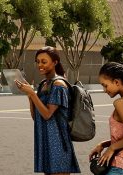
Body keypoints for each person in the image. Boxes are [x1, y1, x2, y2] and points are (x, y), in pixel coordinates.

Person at [15, 46, 81, 174]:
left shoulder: (59, 85)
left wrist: (33, 94)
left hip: (58, 144)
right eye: (38, 61)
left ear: (55, 62)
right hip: (46, 142)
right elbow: (37, 117)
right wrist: (30, 96)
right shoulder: (43, 85)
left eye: (44, 62)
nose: (40, 65)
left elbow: (47, 115)